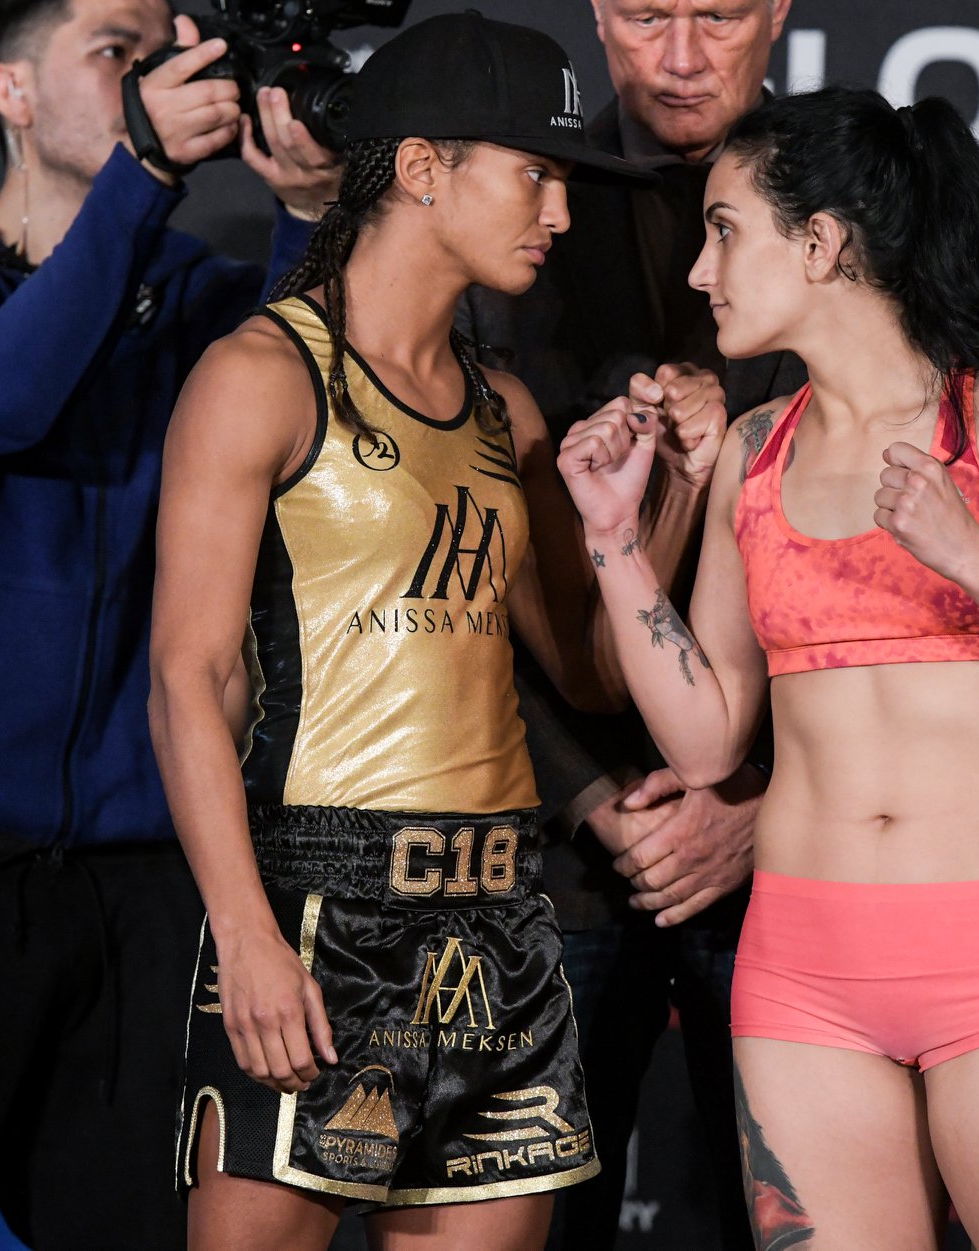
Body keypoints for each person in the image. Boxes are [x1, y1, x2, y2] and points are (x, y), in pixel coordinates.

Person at [559, 87, 979, 1249]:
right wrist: (613, 543)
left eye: (725, 231)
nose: (703, 273)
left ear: (823, 242)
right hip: (802, 982)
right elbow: (707, 742)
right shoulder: (755, 449)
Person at [146, 13, 710, 1250]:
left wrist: (646, 509)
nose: (557, 212)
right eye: (535, 172)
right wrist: (242, 931)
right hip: (315, 911)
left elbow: (591, 673)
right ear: (421, 169)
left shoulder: (504, 406)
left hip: (503, 925)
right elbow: (191, 677)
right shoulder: (259, 376)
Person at [0, 0, 339, 1246]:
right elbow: (5, 396)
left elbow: (312, 403)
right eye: (116, 54)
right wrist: (144, 172)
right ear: (13, 93)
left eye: (162, 56)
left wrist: (307, 210)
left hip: (135, 877)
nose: (152, 82)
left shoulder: (192, 305)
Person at [460, 4, 801, 1244]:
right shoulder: (508, 203)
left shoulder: (858, 200)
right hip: (556, 848)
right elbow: (441, 553)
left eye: (717, 14)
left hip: (789, 851)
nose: (679, 54)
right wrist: (594, 793)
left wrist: (765, 798)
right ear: (600, 13)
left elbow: (901, 573)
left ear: (774, 12)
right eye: (648, 13)